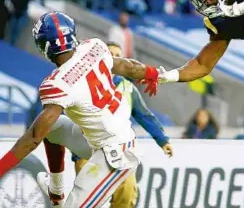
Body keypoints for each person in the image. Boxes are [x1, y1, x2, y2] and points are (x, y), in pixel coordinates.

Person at [0, 11, 160, 208]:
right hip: (109, 137)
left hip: (115, 154)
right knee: (53, 127)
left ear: (45, 47)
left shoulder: (58, 83)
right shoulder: (93, 46)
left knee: (44, 127)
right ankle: (56, 190)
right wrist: (153, 73)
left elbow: (34, 137)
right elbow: (126, 65)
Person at [71, 41, 173, 208]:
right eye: (110, 54)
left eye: (118, 55)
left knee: (127, 197)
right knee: (87, 201)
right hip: (88, 151)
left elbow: (145, 116)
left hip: (121, 152)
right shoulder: (83, 83)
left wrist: (163, 140)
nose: (114, 58)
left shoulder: (127, 87)